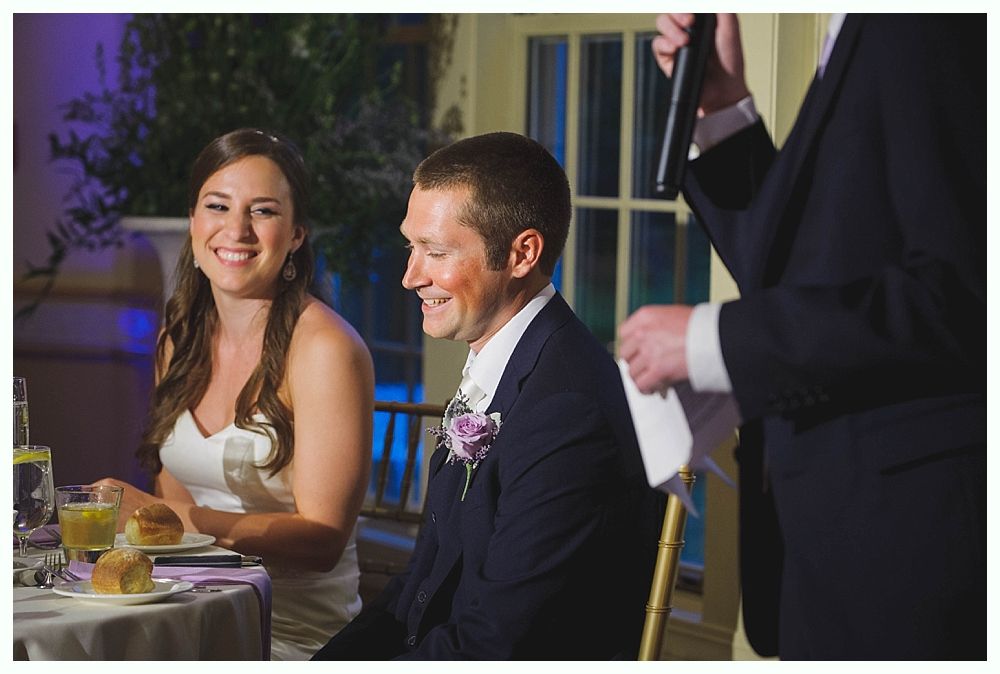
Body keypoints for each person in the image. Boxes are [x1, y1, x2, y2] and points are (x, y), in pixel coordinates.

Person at [619, 13, 985, 659]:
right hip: (830, 545)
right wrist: (724, 110)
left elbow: (968, 291)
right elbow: (819, 265)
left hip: (915, 559)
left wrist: (715, 342)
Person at [312, 131, 663, 660]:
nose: (409, 277)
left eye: (435, 251)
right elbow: (419, 586)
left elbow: (498, 642)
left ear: (522, 253)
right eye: (412, 246)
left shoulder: (568, 410)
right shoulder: (505, 365)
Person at [95, 128, 374, 660]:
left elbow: (323, 541)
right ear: (195, 223)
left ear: (296, 235)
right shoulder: (178, 339)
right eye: (217, 206)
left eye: (263, 211)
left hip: (289, 635)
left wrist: (169, 517)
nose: (236, 229)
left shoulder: (326, 348)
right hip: (188, 610)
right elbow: (170, 508)